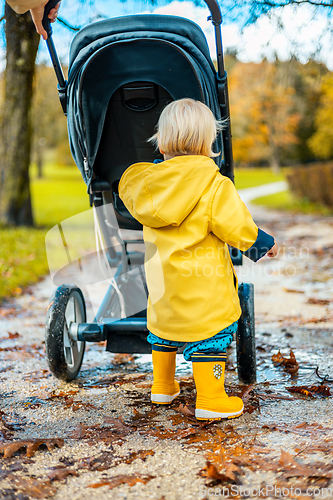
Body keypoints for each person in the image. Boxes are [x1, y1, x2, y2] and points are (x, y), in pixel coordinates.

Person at [119, 98, 278, 421]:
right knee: (211, 335)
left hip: (164, 291)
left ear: (161, 142)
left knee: (163, 333)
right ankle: (210, 398)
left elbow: (131, 184)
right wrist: (262, 244)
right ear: (208, 144)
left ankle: (163, 386)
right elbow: (236, 225)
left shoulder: (148, 187)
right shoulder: (214, 185)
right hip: (204, 291)